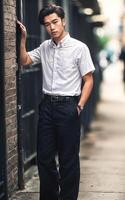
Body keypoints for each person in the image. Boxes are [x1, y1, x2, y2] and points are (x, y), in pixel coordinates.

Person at [17, 3, 95, 200]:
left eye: (54, 22)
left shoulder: (79, 48)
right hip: (47, 107)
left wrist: (80, 105)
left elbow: (88, 80)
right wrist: (23, 39)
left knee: (68, 159)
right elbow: (25, 60)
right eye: (47, 24)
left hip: (69, 107)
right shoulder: (45, 47)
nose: (51, 27)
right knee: (44, 157)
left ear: (63, 21)